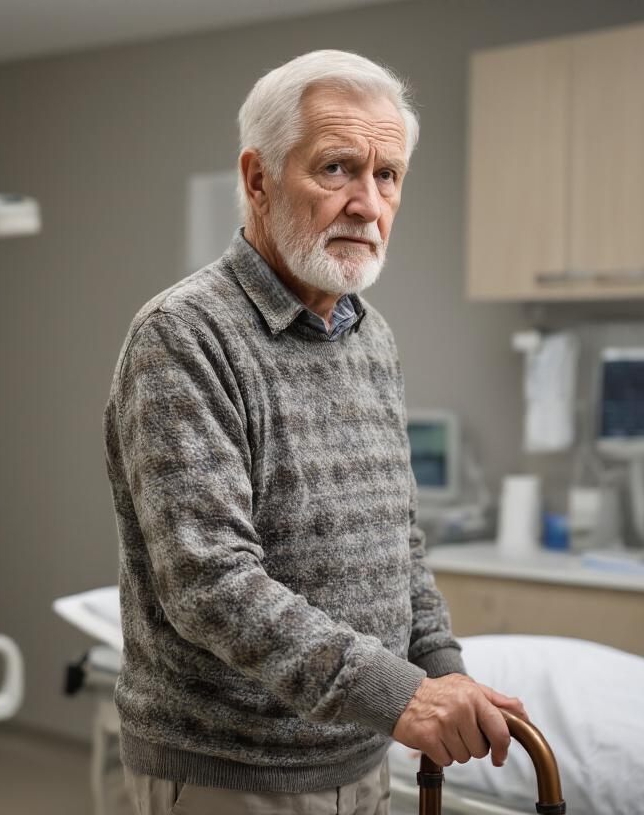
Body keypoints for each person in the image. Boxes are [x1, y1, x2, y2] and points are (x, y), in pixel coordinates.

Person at [104, 50, 526, 815]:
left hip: (363, 756)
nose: (367, 203)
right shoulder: (184, 336)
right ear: (259, 180)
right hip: (230, 772)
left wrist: (440, 667)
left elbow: (399, 540)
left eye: (387, 175)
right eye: (336, 169)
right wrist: (401, 695)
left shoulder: (372, 337)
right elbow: (210, 582)